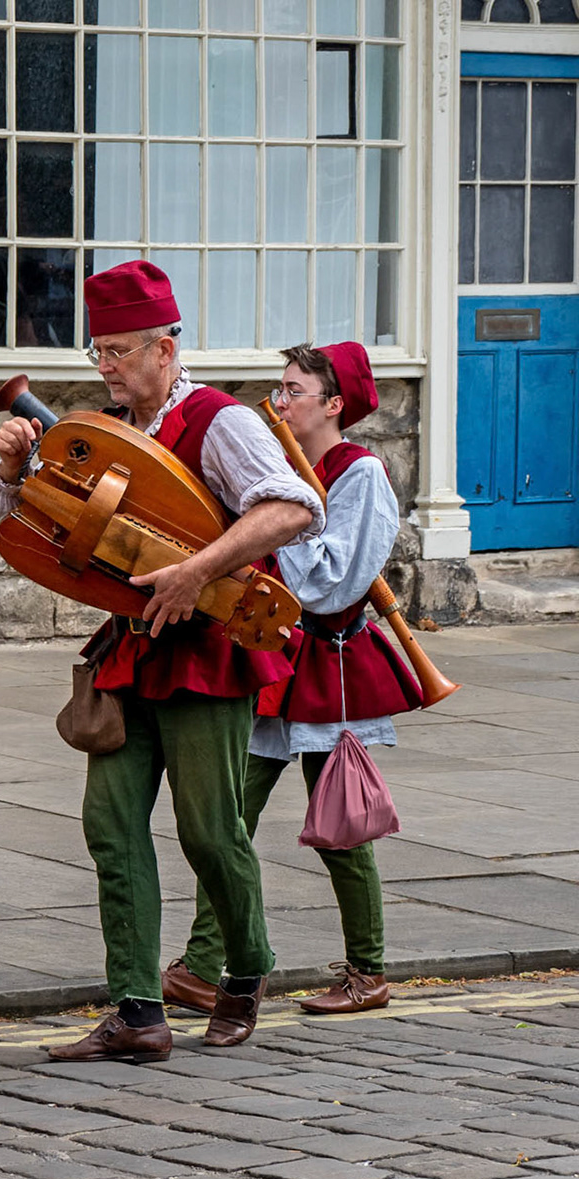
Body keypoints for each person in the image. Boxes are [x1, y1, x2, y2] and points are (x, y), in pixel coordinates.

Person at [0, 261, 324, 1063]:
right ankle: (137, 1011)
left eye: (122, 351)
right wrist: (7, 469)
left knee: (209, 832)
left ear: (167, 349)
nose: (107, 368)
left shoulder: (220, 421)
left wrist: (200, 569)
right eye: (98, 352)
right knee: (110, 824)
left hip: (210, 648)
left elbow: (297, 508)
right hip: (132, 651)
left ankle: (244, 971)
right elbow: (15, 531)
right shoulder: (104, 428)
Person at [166, 343, 420, 1018]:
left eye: (294, 391)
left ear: (334, 405)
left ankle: (368, 971)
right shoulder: (277, 465)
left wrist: (280, 525)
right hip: (269, 652)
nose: (279, 403)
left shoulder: (359, 473)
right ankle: (199, 965)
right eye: (279, 389)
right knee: (224, 819)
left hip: (330, 663)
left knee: (340, 827)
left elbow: (336, 575)